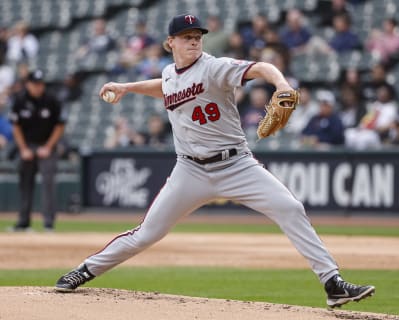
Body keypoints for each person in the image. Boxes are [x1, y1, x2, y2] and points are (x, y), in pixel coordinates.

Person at [54, 14, 375, 309]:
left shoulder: (215, 67)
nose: (194, 41)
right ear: (171, 43)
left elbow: (261, 67)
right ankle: (84, 270)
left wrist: (281, 85)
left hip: (236, 165)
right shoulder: (169, 74)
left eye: (197, 36)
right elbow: (166, 87)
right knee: (146, 234)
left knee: (290, 208)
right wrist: (127, 87)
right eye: (186, 36)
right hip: (190, 170)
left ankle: (332, 283)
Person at [8, 69, 66, 231]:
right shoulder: (19, 100)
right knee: (25, 183)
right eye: (35, 84)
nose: (38, 87)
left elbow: (60, 125)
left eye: (40, 84)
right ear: (28, 84)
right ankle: (23, 223)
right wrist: (24, 149)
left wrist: (48, 147)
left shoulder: (51, 100)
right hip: (27, 145)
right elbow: (16, 126)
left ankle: (48, 224)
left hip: (47, 145)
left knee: (49, 183)